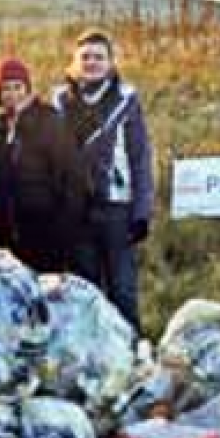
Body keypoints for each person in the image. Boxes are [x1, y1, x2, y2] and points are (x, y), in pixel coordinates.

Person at [53, 29, 154, 332]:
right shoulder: (60, 102)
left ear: (110, 62)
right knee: (86, 289)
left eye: (99, 57)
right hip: (77, 209)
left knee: (122, 288)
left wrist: (141, 212)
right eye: (85, 57)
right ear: (74, 62)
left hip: (116, 206)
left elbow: (140, 157)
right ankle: (94, 359)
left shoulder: (126, 99)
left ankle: (134, 354)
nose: (92, 62)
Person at [0, 56, 88, 273]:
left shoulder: (49, 121)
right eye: (5, 88)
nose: (12, 94)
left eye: (18, 87)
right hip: (5, 234)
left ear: (27, 89)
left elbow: (72, 177)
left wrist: (65, 227)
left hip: (47, 231)